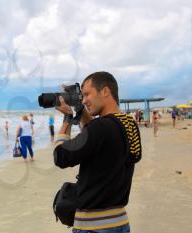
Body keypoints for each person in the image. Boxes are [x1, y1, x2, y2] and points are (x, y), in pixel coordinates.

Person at [53, 71, 141, 232]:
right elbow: (94, 137)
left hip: (93, 226)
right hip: (120, 223)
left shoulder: (101, 128)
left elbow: (60, 156)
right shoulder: (129, 125)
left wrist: (67, 118)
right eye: (82, 96)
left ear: (105, 91)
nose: (84, 100)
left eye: (87, 94)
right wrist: (79, 109)